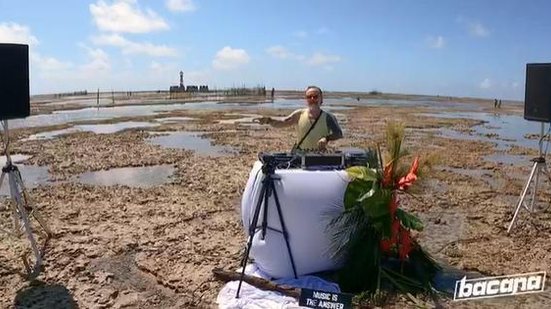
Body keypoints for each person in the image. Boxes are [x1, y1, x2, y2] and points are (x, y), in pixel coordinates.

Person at [255, 85, 343, 151]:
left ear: (321, 99)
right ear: (306, 100)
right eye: (309, 97)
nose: (312, 99)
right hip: (301, 154)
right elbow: (283, 122)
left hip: (320, 155)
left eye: (315, 96)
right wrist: (268, 120)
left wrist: (326, 138)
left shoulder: (328, 117)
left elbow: (338, 133)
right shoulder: (299, 114)